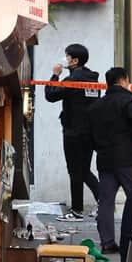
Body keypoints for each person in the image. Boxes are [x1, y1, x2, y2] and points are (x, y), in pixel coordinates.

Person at [88, 66, 132, 253]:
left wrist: (99, 147)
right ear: (123, 80)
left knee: (105, 202)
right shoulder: (129, 101)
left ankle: (107, 242)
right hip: (128, 158)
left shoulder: (96, 106)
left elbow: (89, 133)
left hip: (105, 159)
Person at [43, 43, 100, 216]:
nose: (65, 59)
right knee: (83, 170)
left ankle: (77, 209)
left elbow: (51, 95)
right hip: (89, 133)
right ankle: (103, 202)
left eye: (67, 57)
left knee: (75, 171)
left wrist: (55, 75)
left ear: (75, 60)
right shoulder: (92, 80)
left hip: (73, 132)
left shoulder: (72, 80)